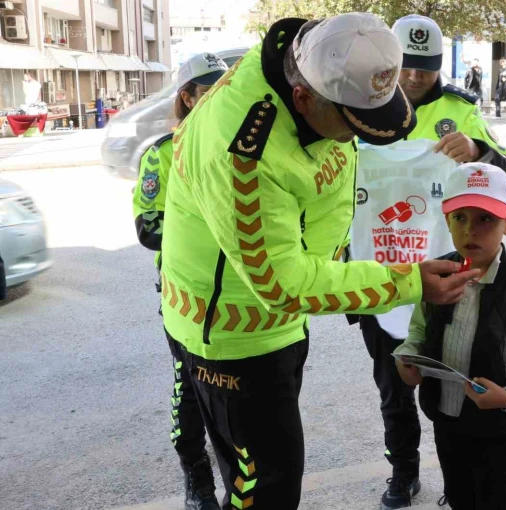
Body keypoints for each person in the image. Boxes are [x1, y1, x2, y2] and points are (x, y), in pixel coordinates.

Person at [161, 13, 480, 510]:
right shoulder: (245, 157)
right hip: (236, 338)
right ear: (305, 97)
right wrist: (407, 281)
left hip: (281, 324)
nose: (355, 137)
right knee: (264, 492)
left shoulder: (315, 54)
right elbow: (282, 284)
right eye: (350, 124)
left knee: (278, 470)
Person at [354, 14, 506, 510]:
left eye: (425, 69)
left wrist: (478, 150)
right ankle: (403, 473)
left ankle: (459, 475)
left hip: (451, 274)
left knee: (455, 386)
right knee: (394, 388)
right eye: (407, 67)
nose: (414, 78)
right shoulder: (361, 104)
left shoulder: (458, 111)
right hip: (382, 268)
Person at [395, 162, 506, 510]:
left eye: (485, 219)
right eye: (461, 218)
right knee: (458, 494)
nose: (471, 231)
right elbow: (419, 331)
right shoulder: (435, 276)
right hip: (447, 419)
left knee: (492, 500)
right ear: (447, 222)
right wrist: (408, 356)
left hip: (498, 429)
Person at [132, 52, 228, 510]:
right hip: (186, 296)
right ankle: (197, 476)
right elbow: (148, 227)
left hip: (242, 298)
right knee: (190, 388)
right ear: (187, 98)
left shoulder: (240, 147)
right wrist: (210, 226)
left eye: (222, 90)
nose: (216, 100)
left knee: (239, 400)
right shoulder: (163, 154)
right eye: (207, 92)